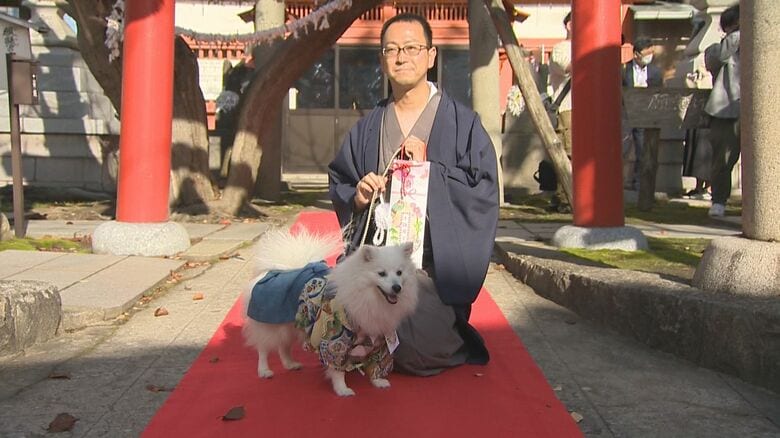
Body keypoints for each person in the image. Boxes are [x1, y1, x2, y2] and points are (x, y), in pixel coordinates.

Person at [328, 13, 499, 376]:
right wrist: (358, 196)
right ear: (382, 59)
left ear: (431, 55)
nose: (401, 57)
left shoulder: (463, 124)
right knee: (328, 327)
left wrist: (433, 174)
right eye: (392, 50)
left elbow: (482, 192)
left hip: (428, 268)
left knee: (418, 351)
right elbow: (341, 179)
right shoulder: (367, 128)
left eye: (411, 48)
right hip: (375, 265)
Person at [704, 4, 740, 217]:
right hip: (725, 112)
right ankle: (718, 200)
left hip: (756, 111)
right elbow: (721, 56)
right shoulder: (717, 51)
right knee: (723, 160)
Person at [622, 36, 663, 190]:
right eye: (646, 53)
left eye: (651, 53)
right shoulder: (623, 70)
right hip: (626, 114)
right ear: (636, 54)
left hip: (645, 116)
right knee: (623, 150)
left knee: (642, 150)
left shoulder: (656, 72)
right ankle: (622, 180)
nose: (649, 57)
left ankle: (639, 182)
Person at [546, 11, 573, 213]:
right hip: (568, 109)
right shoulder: (561, 49)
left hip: (590, 109)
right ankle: (564, 198)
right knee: (568, 155)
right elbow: (569, 67)